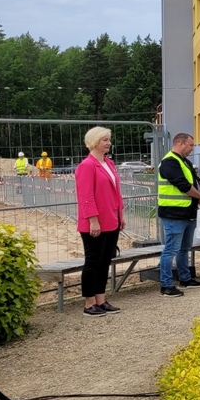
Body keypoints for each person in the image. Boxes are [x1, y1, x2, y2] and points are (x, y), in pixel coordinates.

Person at [74, 127, 125, 316]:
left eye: (109, 139)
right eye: (105, 140)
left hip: (111, 220)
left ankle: (101, 300)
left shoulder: (109, 163)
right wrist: (93, 221)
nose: (108, 143)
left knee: (105, 261)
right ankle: (89, 303)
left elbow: (116, 193)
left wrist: (121, 215)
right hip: (95, 222)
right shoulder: (87, 166)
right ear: (94, 142)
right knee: (93, 261)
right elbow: (86, 195)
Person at [157, 133, 200, 297]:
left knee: (184, 248)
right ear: (180, 144)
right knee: (171, 250)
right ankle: (166, 285)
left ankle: (185, 278)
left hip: (187, 212)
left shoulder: (184, 161)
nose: (192, 149)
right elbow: (184, 186)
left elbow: (196, 179)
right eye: (191, 145)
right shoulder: (169, 162)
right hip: (174, 213)